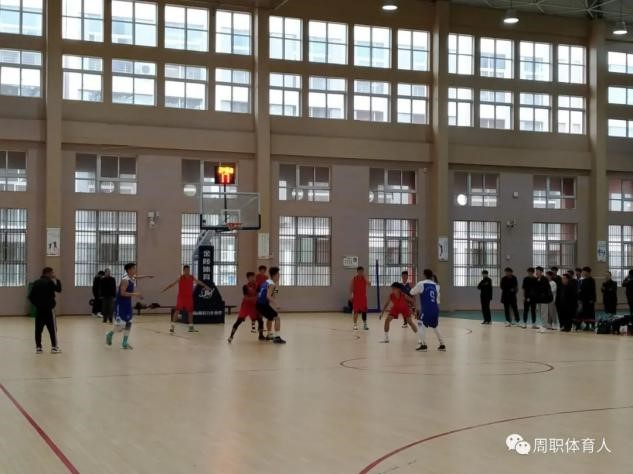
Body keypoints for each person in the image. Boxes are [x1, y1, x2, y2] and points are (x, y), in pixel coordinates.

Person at [106, 263, 153, 350]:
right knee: (120, 326)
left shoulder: (132, 278)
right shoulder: (125, 280)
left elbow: (137, 277)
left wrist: (147, 276)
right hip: (120, 304)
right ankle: (110, 334)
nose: (135, 270)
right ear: (129, 270)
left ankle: (124, 342)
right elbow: (122, 293)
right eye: (134, 268)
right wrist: (136, 294)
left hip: (127, 303)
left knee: (129, 322)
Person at [162, 265, 210, 334]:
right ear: (183, 271)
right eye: (186, 270)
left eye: (188, 270)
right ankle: (172, 327)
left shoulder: (192, 277)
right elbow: (172, 284)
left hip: (189, 297)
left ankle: (191, 327)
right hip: (181, 297)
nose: (187, 271)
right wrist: (165, 289)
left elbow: (198, 282)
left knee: (190, 312)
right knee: (177, 311)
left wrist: (205, 286)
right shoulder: (180, 278)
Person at [410, 269, 446, 352]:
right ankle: (442, 344)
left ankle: (423, 345)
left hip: (427, 309)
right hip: (435, 309)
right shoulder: (436, 286)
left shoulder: (421, 283)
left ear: (424, 275)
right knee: (435, 326)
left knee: (420, 324)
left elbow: (412, 292)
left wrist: (413, 287)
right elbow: (438, 301)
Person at [29, 267, 62, 354]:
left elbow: (31, 297)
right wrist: (57, 279)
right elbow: (59, 289)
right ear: (47, 273)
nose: (53, 274)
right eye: (52, 273)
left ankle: (38, 348)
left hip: (39, 310)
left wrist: (37, 305)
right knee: (52, 329)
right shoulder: (50, 282)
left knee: (38, 330)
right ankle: (54, 347)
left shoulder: (36, 282)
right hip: (49, 310)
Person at [229, 272, 265, 343]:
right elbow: (246, 297)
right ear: (248, 278)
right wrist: (255, 298)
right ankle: (231, 336)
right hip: (246, 306)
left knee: (260, 320)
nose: (253, 279)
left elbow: (259, 295)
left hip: (254, 306)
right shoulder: (245, 287)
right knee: (238, 321)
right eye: (251, 277)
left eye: (253, 277)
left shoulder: (258, 285)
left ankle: (261, 335)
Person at [256, 266, 286, 344]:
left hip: (259, 304)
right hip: (262, 305)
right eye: (278, 274)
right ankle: (277, 337)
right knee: (277, 317)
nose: (279, 276)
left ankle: (269, 335)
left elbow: (273, 294)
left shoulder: (267, 282)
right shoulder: (272, 284)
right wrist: (277, 304)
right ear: (274, 275)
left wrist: (275, 294)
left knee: (270, 318)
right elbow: (268, 296)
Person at [350, 266, 370, 331]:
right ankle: (355, 325)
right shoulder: (354, 278)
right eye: (359, 271)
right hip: (356, 298)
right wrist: (351, 296)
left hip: (363, 298)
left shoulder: (364, 278)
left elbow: (369, 285)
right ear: (357, 272)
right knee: (355, 312)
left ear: (363, 272)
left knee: (364, 312)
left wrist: (366, 279)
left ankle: (365, 325)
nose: (361, 272)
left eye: (362, 271)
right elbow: (351, 288)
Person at [577, 266, 596, 331]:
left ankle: (593, 326)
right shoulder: (583, 280)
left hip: (590, 300)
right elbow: (581, 289)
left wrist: (593, 299)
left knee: (591, 313)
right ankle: (587, 325)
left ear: (588, 272)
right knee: (585, 313)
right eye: (583, 272)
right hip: (584, 300)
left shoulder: (592, 280)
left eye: (584, 272)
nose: (583, 273)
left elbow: (593, 291)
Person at [254, 265, 268, 332]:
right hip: (259, 295)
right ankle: (260, 326)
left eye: (264, 270)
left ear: (265, 271)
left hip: (264, 296)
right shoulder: (257, 277)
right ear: (259, 271)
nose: (262, 271)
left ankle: (261, 326)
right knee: (259, 311)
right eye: (261, 270)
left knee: (262, 312)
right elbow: (256, 286)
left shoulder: (266, 277)